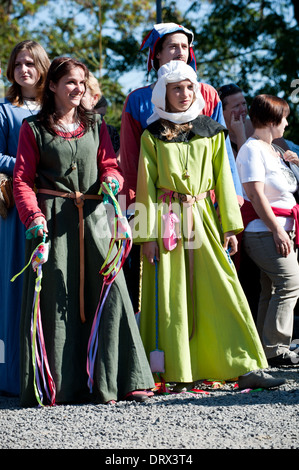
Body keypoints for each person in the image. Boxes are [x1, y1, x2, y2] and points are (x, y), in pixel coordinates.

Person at [134, 61, 285, 391]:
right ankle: (173, 369)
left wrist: (230, 227)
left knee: (224, 288)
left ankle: (243, 364)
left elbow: (224, 180)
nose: (185, 93)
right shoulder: (153, 134)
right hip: (166, 222)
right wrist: (146, 235)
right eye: (176, 88)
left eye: (189, 86)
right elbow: (146, 186)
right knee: (171, 295)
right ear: (164, 92)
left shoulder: (212, 131)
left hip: (203, 218)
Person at [13, 57, 154, 407]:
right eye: (70, 83)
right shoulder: (33, 128)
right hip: (54, 224)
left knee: (113, 292)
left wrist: (111, 180)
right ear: (53, 87)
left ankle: (124, 380)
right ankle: (61, 386)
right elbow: (22, 180)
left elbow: (110, 165)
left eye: (82, 82)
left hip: (94, 221)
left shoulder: (96, 125)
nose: (78, 89)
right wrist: (34, 218)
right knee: (56, 300)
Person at [120, 22, 243, 314]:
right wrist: (138, 221)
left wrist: (231, 203)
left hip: (203, 205)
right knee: (165, 288)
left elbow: (222, 154)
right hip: (159, 210)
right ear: (157, 54)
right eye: (172, 46)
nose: (179, 52)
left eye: (184, 47)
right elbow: (132, 162)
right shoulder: (137, 100)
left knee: (210, 284)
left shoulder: (208, 95)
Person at [0, 40, 50, 396]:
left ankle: (52, 372)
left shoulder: (56, 107)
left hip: (54, 204)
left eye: (31, 63)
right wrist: (24, 168)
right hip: (17, 210)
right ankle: (14, 377)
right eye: (18, 64)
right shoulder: (5, 111)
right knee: (16, 285)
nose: (24, 70)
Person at [236, 94, 299, 367]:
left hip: (281, 228)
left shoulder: (273, 149)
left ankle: (264, 350)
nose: (286, 123)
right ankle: (276, 349)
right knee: (289, 283)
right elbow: (256, 194)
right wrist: (277, 230)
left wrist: (295, 165)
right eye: (283, 118)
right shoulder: (252, 149)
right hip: (265, 230)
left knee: (270, 288)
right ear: (273, 119)